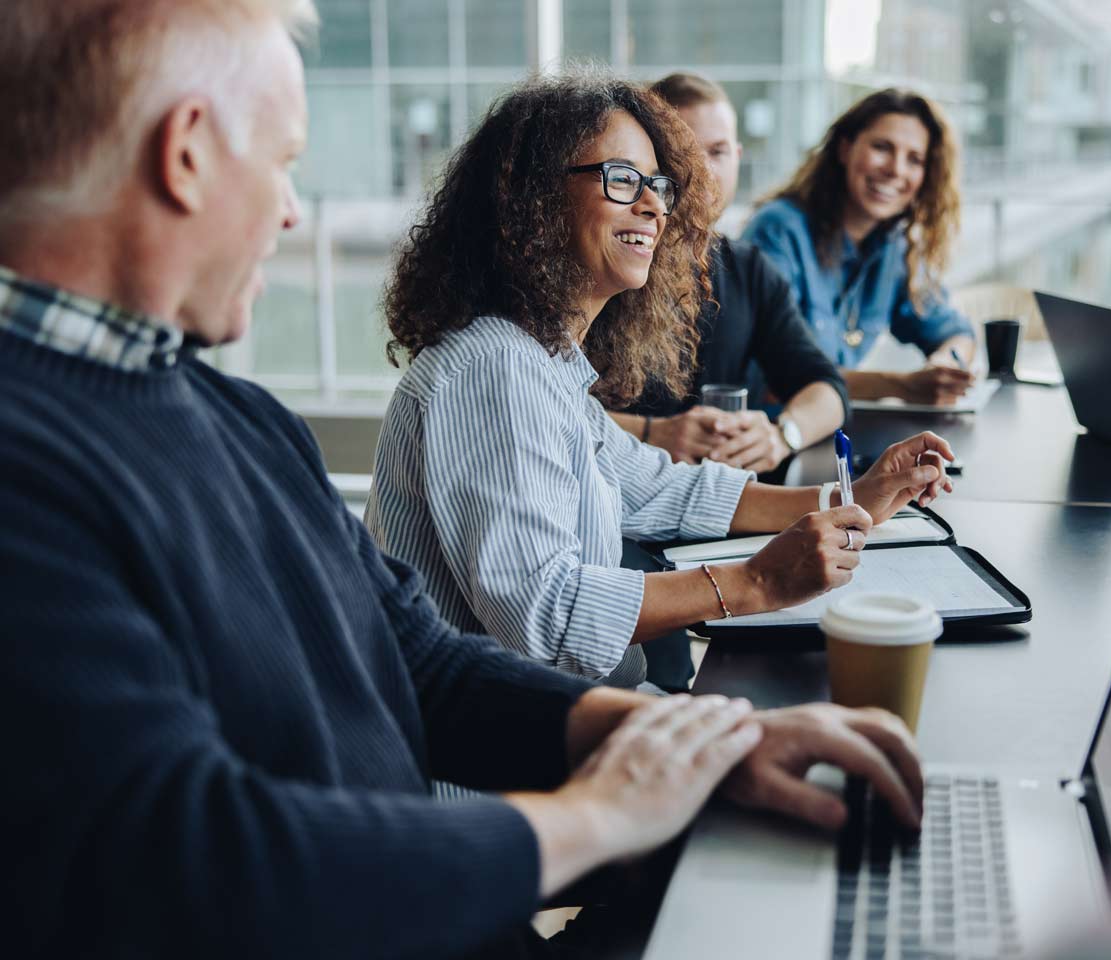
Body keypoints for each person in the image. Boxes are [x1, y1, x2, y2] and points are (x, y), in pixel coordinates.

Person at [0, 3, 927, 955]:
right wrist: (604, 818)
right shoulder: (26, 471)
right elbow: (199, 859)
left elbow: (420, 661)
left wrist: (701, 748)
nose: (290, 210)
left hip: (440, 876)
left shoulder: (241, 420)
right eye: (284, 162)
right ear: (186, 152)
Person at [366, 72, 956, 688]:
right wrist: (757, 581)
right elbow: (546, 615)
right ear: (532, 199)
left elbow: (663, 491)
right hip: (498, 765)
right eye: (621, 179)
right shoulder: (493, 370)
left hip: (560, 718)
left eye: (657, 185)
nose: (652, 204)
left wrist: (852, 498)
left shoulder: (543, 361)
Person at [606, 73, 848, 475]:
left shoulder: (748, 269)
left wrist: (781, 435)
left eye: (716, 152)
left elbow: (827, 388)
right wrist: (652, 433)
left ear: (737, 157)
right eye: (681, 154)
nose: (701, 172)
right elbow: (548, 406)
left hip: (725, 509)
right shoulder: (611, 263)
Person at [740, 88, 978, 406]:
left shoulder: (894, 247)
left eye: (914, 159)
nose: (896, 170)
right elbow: (777, 379)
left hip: (834, 432)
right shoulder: (779, 231)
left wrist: (946, 365)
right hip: (768, 437)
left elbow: (955, 331)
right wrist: (901, 385)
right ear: (844, 149)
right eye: (882, 148)